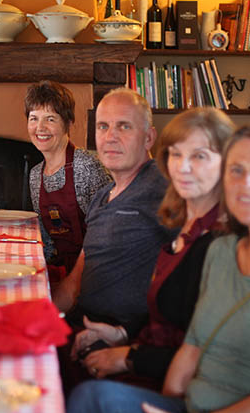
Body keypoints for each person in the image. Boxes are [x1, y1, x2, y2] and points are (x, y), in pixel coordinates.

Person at [67, 123, 250, 413]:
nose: (247, 183)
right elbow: (192, 348)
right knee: (90, 402)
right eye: (236, 171)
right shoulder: (222, 252)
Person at [71, 108, 235, 390]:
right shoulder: (182, 226)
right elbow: (168, 311)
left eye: (199, 156)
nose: (183, 167)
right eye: (176, 154)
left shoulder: (222, 241)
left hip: (175, 385)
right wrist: (121, 334)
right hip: (141, 346)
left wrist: (128, 356)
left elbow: (209, 353)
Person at [54, 88, 175, 333]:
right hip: (80, 326)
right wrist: (39, 317)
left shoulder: (165, 189)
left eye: (124, 126)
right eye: (102, 126)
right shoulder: (102, 196)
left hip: (119, 339)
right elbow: (75, 282)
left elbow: (195, 277)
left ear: (149, 138)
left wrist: (130, 342)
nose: (110, 136)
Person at [25, 81, 111, 274]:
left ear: (68, 123)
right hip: (61, 269)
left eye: (50, 119)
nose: (40, 128)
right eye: (33, 118)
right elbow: (46, 241)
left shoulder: (87, 166)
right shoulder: (35, 175)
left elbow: (108, 233)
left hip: (95, 271)